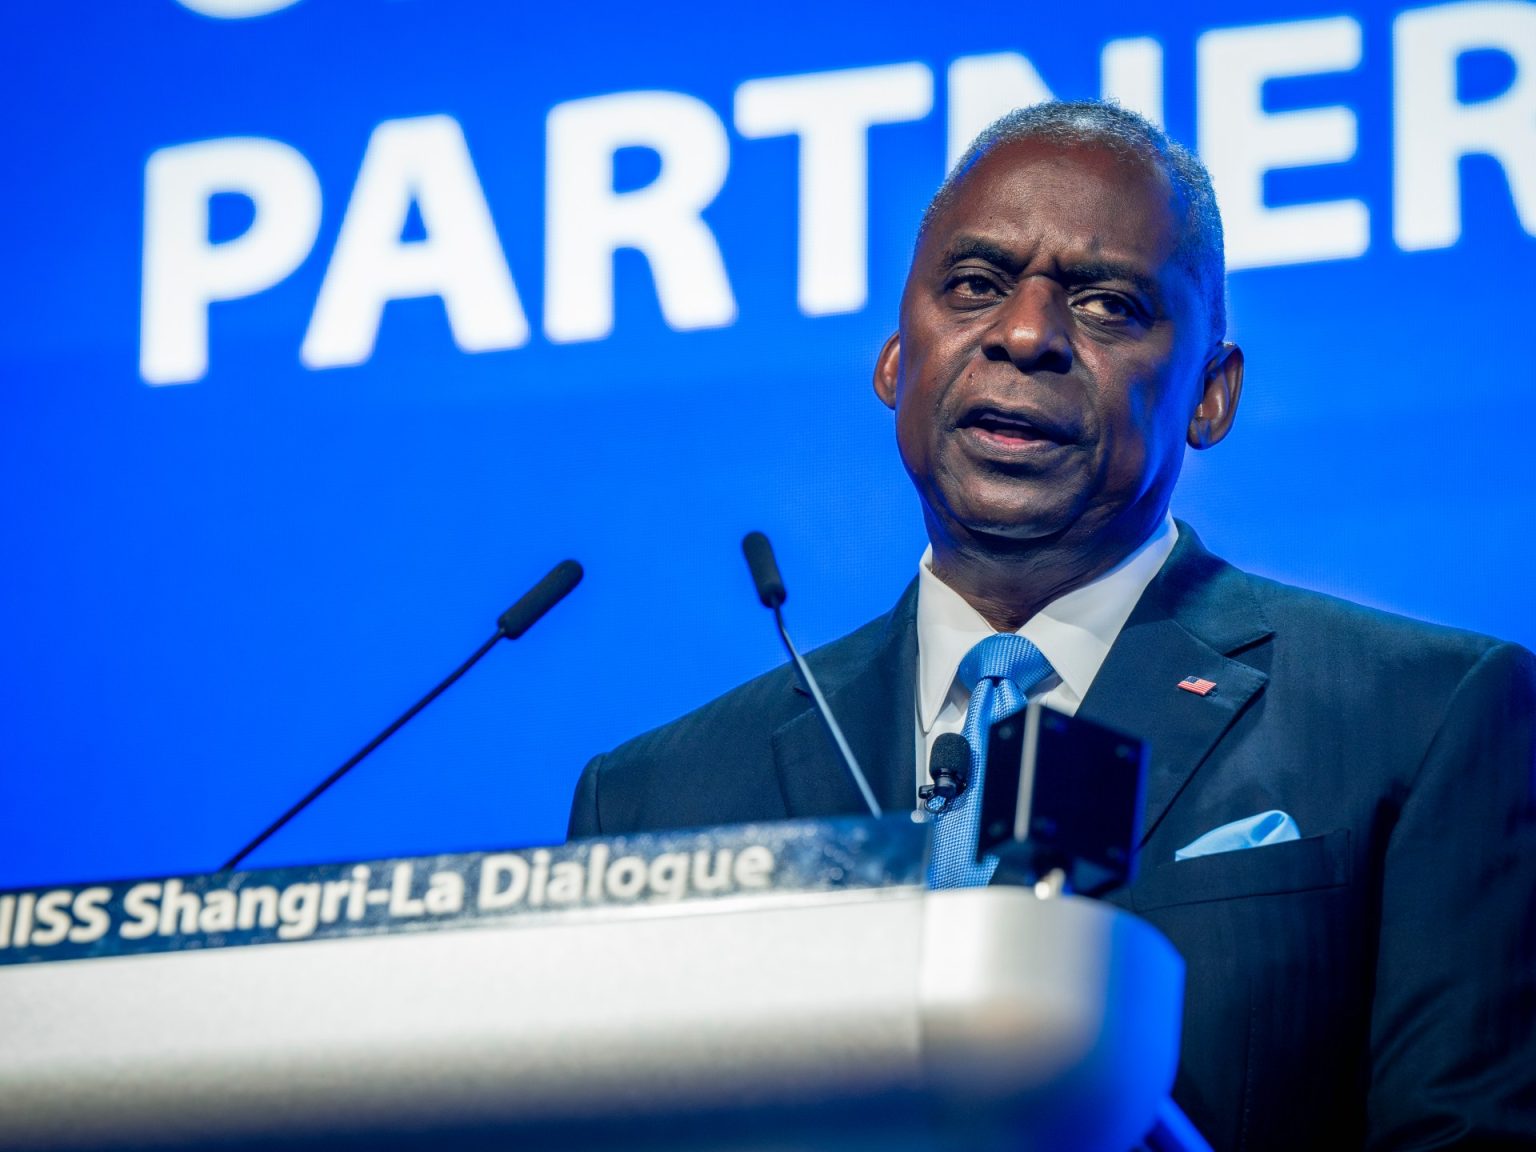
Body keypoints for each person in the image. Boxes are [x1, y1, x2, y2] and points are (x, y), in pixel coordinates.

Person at [567, 101, 1536, 1151]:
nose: (1025, 335)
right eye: (975, 286)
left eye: (1109, 304)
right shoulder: (657, 799)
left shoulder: (1423, 717)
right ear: (895, 360)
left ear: (1211, 395)